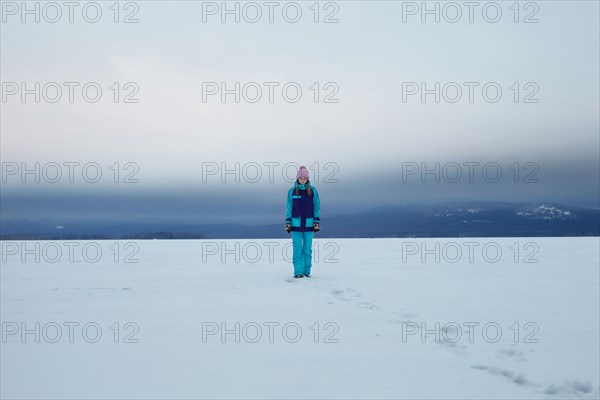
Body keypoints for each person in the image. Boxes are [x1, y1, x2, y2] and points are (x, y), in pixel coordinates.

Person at [285, 165, 320, 279]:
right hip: (296, 225)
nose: (303, 179)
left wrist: (316, 222)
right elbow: (288, 208)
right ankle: (298, 272)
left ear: (307, 178)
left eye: (305, 178)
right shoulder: (292, 192)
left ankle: (306, 271)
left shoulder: (313, 191)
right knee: (297, 249)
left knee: (307, 249)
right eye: (301, 177)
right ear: (297, 178)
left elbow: (316, 207)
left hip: (309, 225)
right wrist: (288, 222)